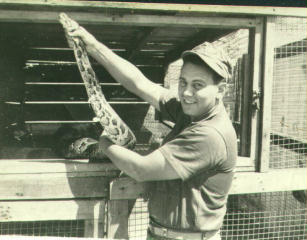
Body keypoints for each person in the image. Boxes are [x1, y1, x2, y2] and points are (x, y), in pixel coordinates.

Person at [68, 26, 237, 240]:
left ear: (220, 91)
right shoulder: (193, 112)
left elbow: (141, 169)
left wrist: (104, 142)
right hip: (162, 233)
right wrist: (92, 44)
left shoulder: (210, 134)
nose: (186, 92)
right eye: (183, 82)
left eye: (198, 85)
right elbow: (139, 84)